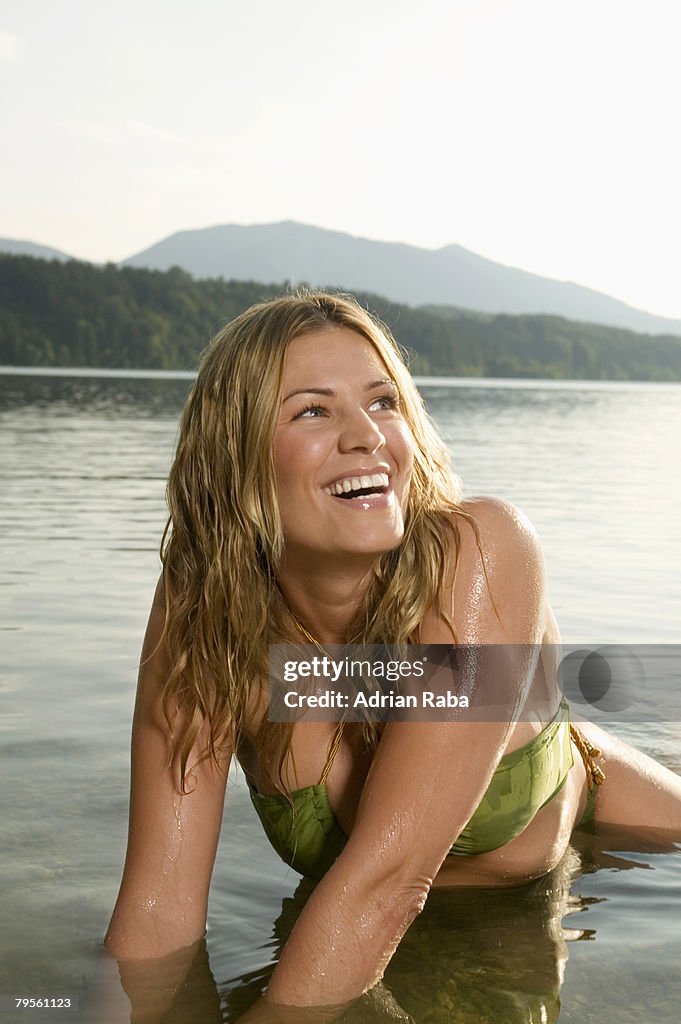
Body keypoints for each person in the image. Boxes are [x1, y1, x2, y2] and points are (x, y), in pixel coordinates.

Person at [104, 290, 681, 1018]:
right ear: (236, 456)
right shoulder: (202, 605)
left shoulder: (480, 550)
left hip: (572, 805)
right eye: (313, 410)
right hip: (378, 895)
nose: (367, 437)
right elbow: (157, 916)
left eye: (383, 403)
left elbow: (385, 887)